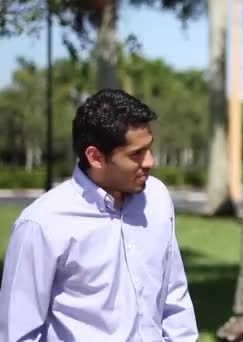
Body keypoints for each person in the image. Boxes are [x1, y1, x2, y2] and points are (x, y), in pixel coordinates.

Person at [0, 89, 198, 341]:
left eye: (149, 148)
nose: (150, 161)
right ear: (95, 157)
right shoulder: (41, 224)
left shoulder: (157, 199)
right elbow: (18, 332)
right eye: (136, 153)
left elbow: (174, 297)